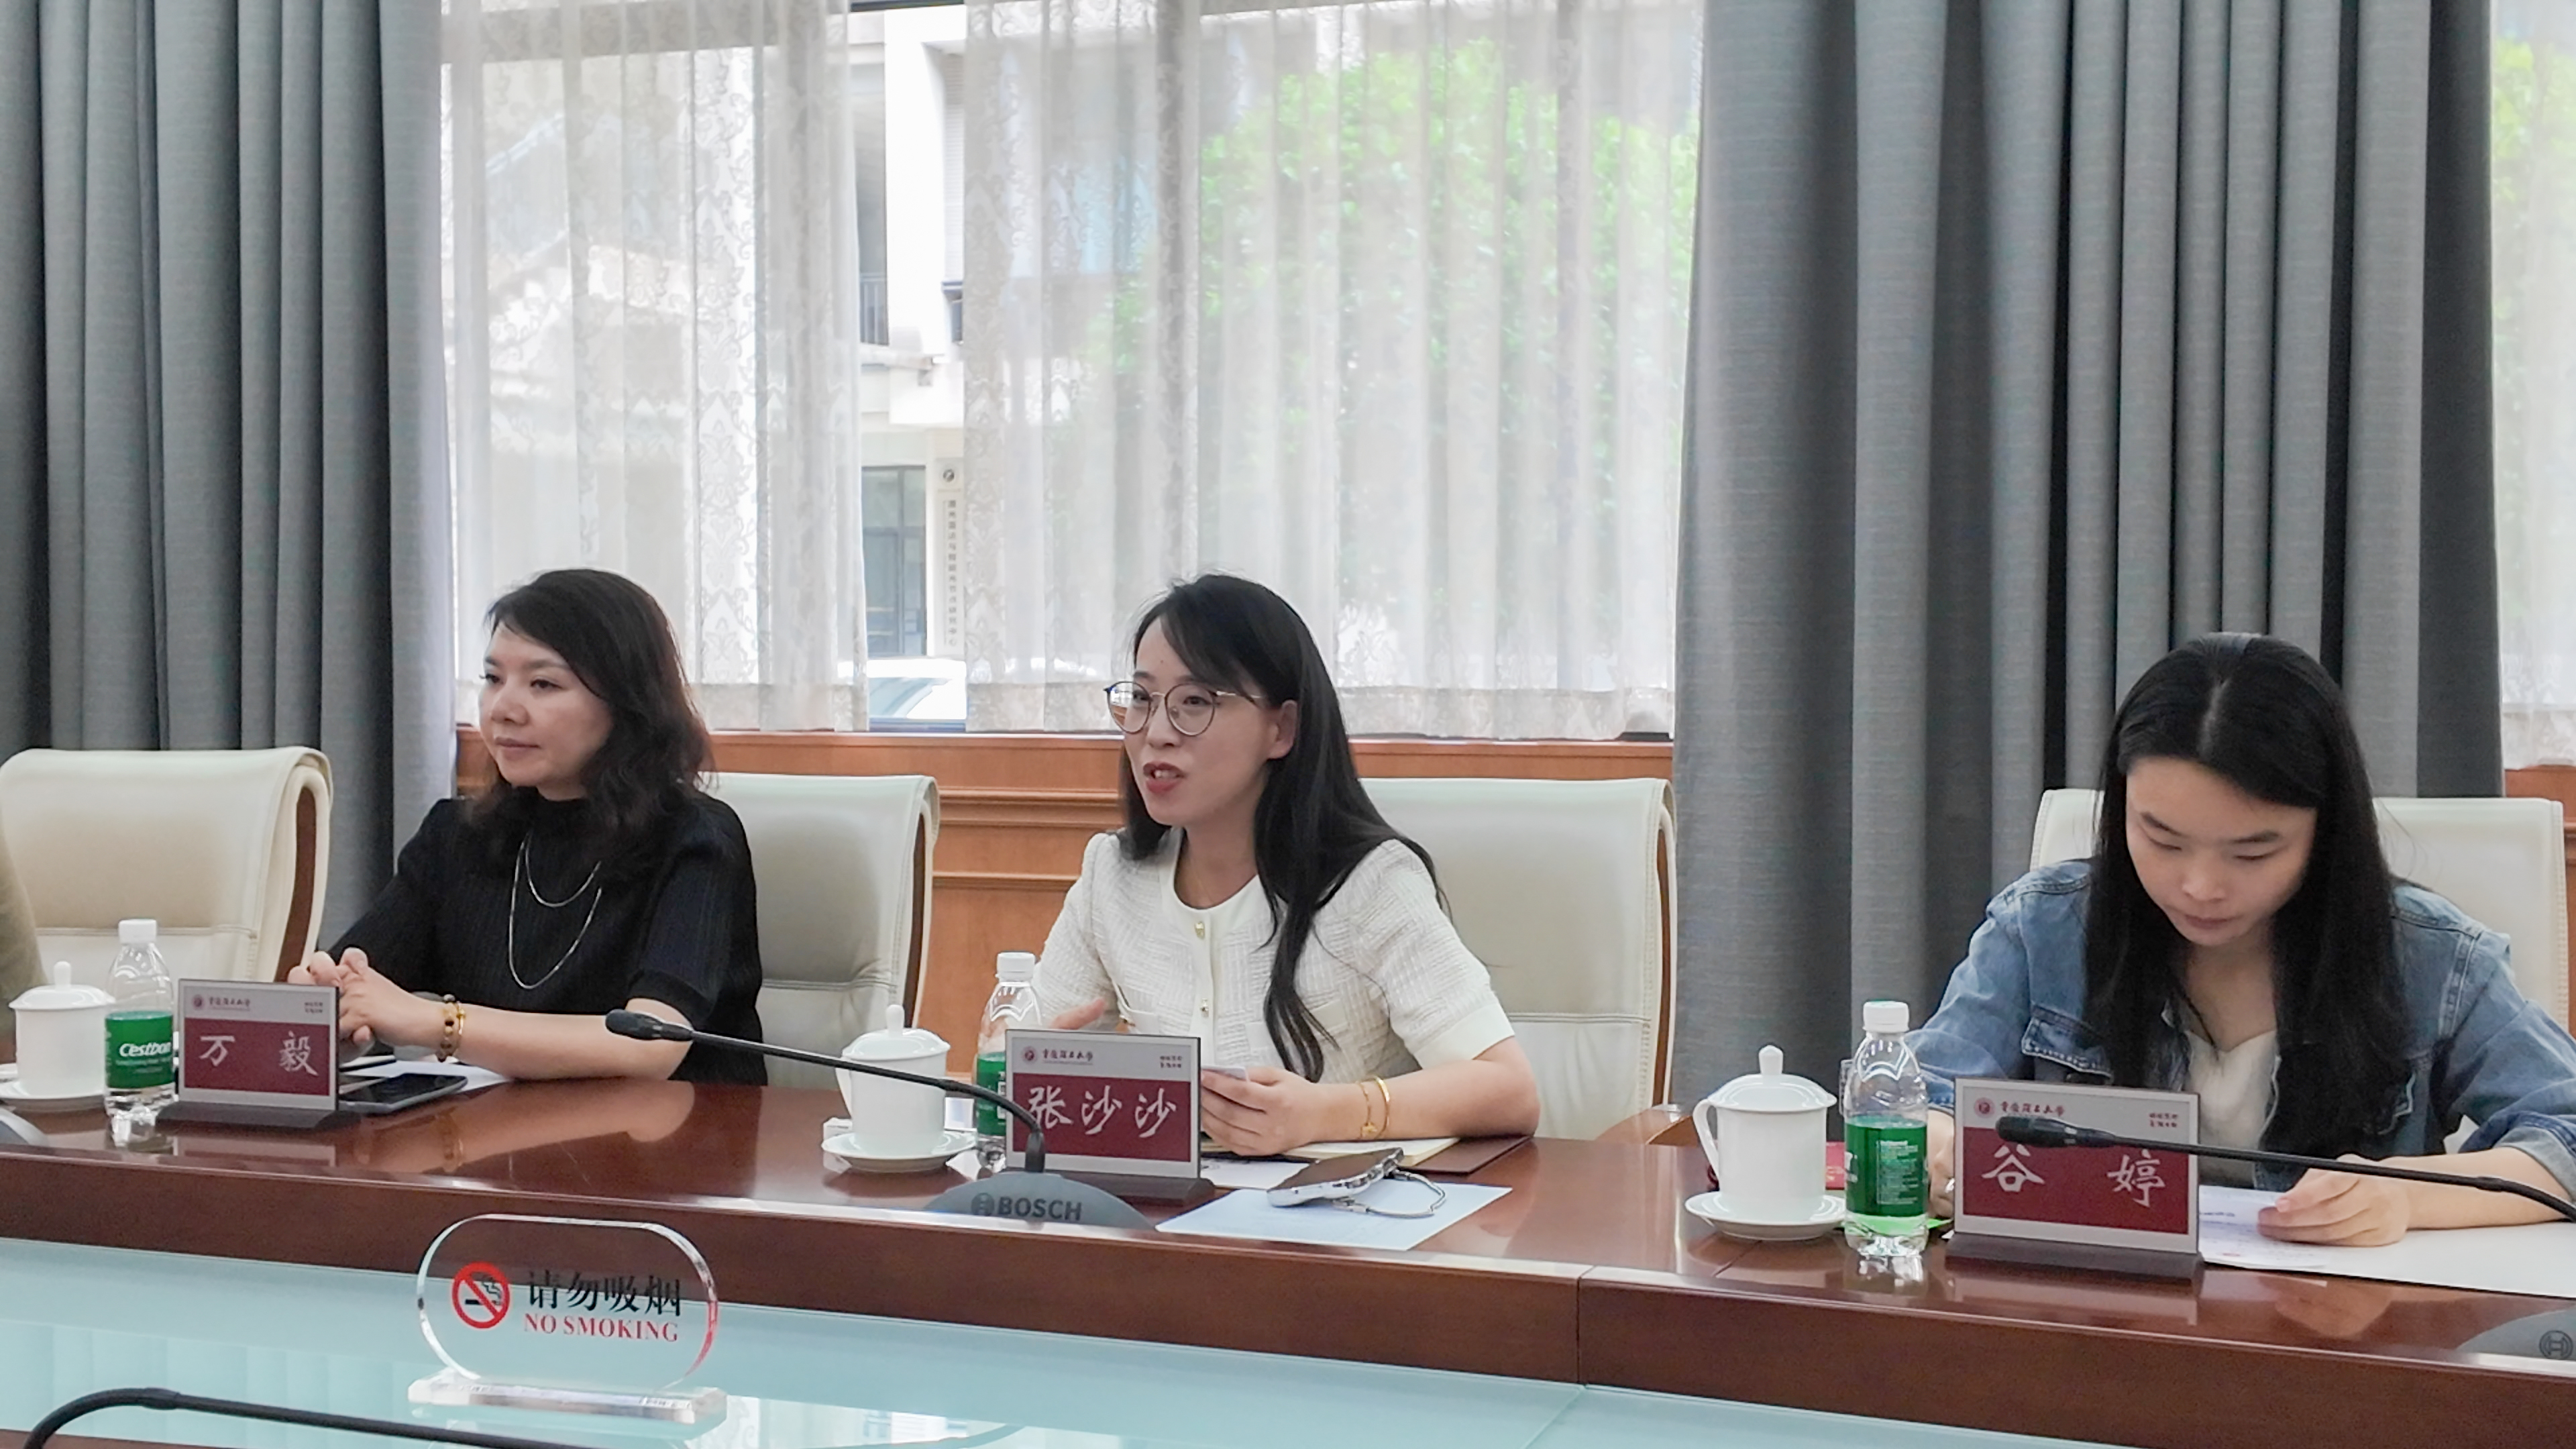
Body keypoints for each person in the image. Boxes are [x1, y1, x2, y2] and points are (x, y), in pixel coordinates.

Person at [1913, 633, 2576, 1244]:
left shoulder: (2434, 959)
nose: (2201, 887)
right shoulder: (2042, 927)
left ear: (2325, 831)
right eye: (2163, 840)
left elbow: (2566, 1130)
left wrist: (2403, 1195)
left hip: (2335, 1320)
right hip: (2094, 1310)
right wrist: (1939, 1144)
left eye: (2253, 853)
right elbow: (1917, 1098)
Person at [1034, 574, 1542, 1155]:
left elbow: (1508, 1089)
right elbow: (1031, 1047)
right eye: (1143, 699)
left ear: (1282, 728)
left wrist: (1324, 1114)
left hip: (1340, 1209)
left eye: (1195, 702)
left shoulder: (1368, 884)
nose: (1156, 733)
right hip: (1172, 1205)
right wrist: (1020, 1056)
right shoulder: (1112, 875)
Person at [294, 570, 765, 1083]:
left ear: (627, 703)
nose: (503, 710)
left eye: (543, 684)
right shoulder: (457, 836)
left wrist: (440, 1023)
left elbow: (650, 1046)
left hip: (678, 1128)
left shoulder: (694, 837)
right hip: (495, 1127)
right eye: (493, 679)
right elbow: (358, 986)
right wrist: (331, 1016)